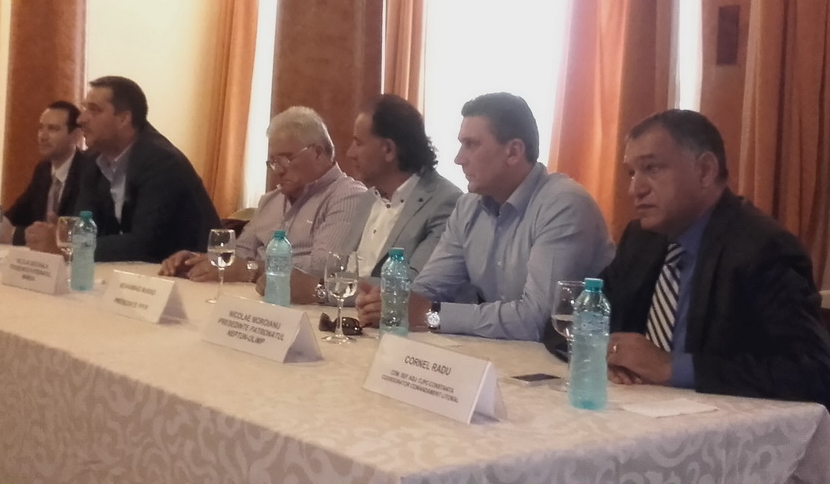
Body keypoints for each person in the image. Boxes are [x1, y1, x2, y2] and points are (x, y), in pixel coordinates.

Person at [600, 109, 830, 408]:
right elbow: (582, 315)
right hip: (638, 413)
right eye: (631, 173)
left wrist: (672, 367)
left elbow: (813, 370)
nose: (635, 189)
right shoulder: (642, 238)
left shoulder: (763, 248)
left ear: (705, 171)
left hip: (728, 427)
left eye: (651, 168)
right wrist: (608, 353)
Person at [356, 92, 614, 341]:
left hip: (578, 361)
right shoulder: (468, 207)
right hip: (507, 355)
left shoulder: (563, 205)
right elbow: (429, 290)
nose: (459, 159)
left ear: (513, 152)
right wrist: (389, 302)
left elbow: (538, 320)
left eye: (471, 145)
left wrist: (431, 314)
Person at [160, 106, 365, 303]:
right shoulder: (270, 200)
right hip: (253, 299)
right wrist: (201, 261)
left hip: (301, 308)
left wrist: (252, 270)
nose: (278, 170)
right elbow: (240, 254)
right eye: (273, 162)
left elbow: (323, 267)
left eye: (286, 159)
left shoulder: (348, 196)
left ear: (317, 152)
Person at [26, 76, 221, 262]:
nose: (81, 119)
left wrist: (68, 247)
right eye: (85, 108)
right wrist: (61, 236)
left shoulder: (161, 161)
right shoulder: (93, 159)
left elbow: (145, 244)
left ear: (123, 119)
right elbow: (85, 228)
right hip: (133, 272)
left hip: (193, 273)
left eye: (94, 110)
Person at [341, 94, 461, 279]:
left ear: (389, 149)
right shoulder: (368, 198)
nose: (350, 153)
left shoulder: (444, 203)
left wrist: (340, 287)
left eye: (359, 143)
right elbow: (339, 269)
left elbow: (415, 284)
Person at [0, 101, 84, 245]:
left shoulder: (87, 170)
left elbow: (73, 233)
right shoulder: (43, 170)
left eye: (52, 129)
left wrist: (15, 235)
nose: (43, 136)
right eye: (40, 128)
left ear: (76, 135)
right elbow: (17, 214)